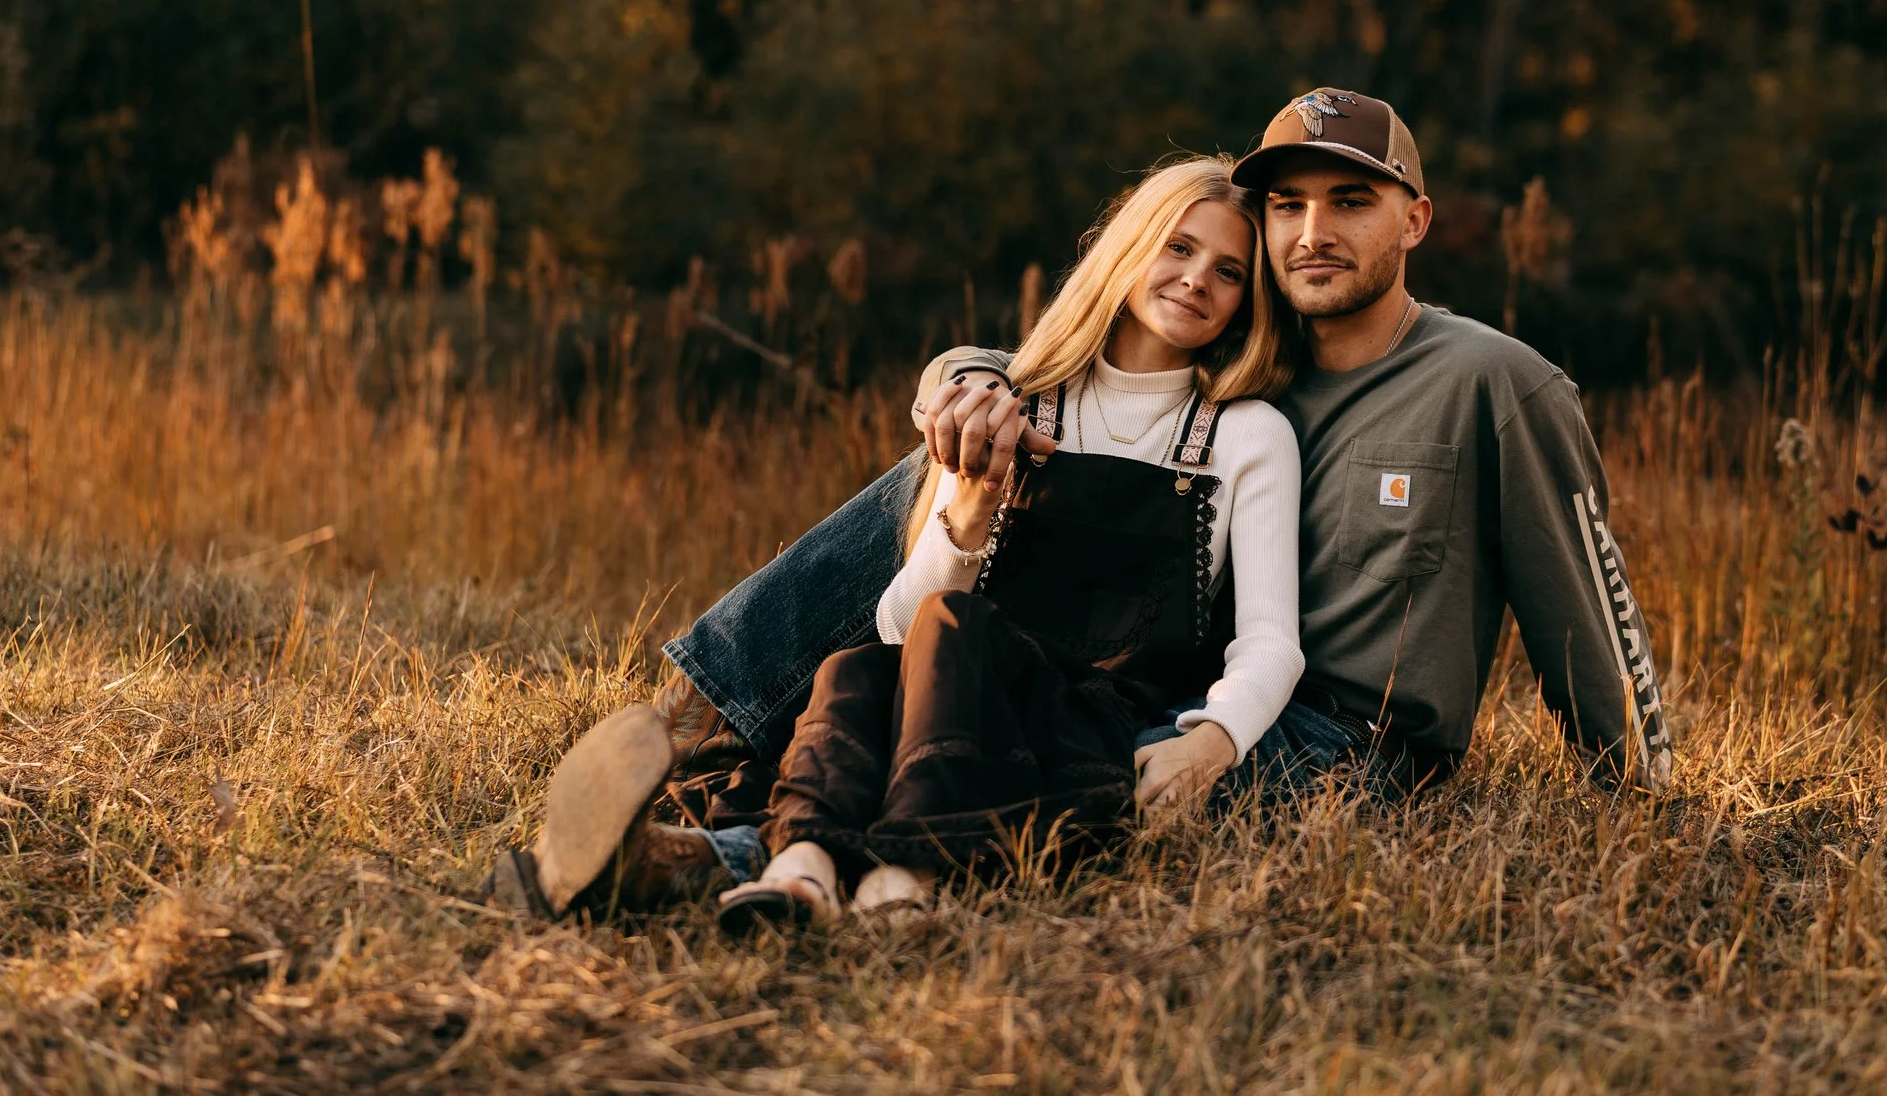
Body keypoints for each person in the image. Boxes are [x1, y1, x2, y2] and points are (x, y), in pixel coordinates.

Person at [495, 88, 1671, 924]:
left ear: (1412, 220)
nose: (1314, 231)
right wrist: (965, 384)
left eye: (1351, 202)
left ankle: (703, 861)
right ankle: (697, 723)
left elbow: (1590, 606)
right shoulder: (1253, 361)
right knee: (935, 510)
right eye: (1288, 207)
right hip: (1168, 679)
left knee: (1037, 767)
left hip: (1340, 744)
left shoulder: (1493, 382)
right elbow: (1099, 379)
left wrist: (1640, 799)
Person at [490, 158, 1303, 923]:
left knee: (950, 633)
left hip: (1079, 729)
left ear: (1246, 301)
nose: (1198, 278)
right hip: (946, 715)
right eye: (1179, 246)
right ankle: (797, 867)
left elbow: (1271, 640)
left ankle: (899, 872)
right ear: (1129, 249)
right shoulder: (1011, 403)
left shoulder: (1244, 433)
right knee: (856, 666)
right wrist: (971, 513)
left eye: (1229, 271)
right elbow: (894, 626)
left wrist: (1214, 736)